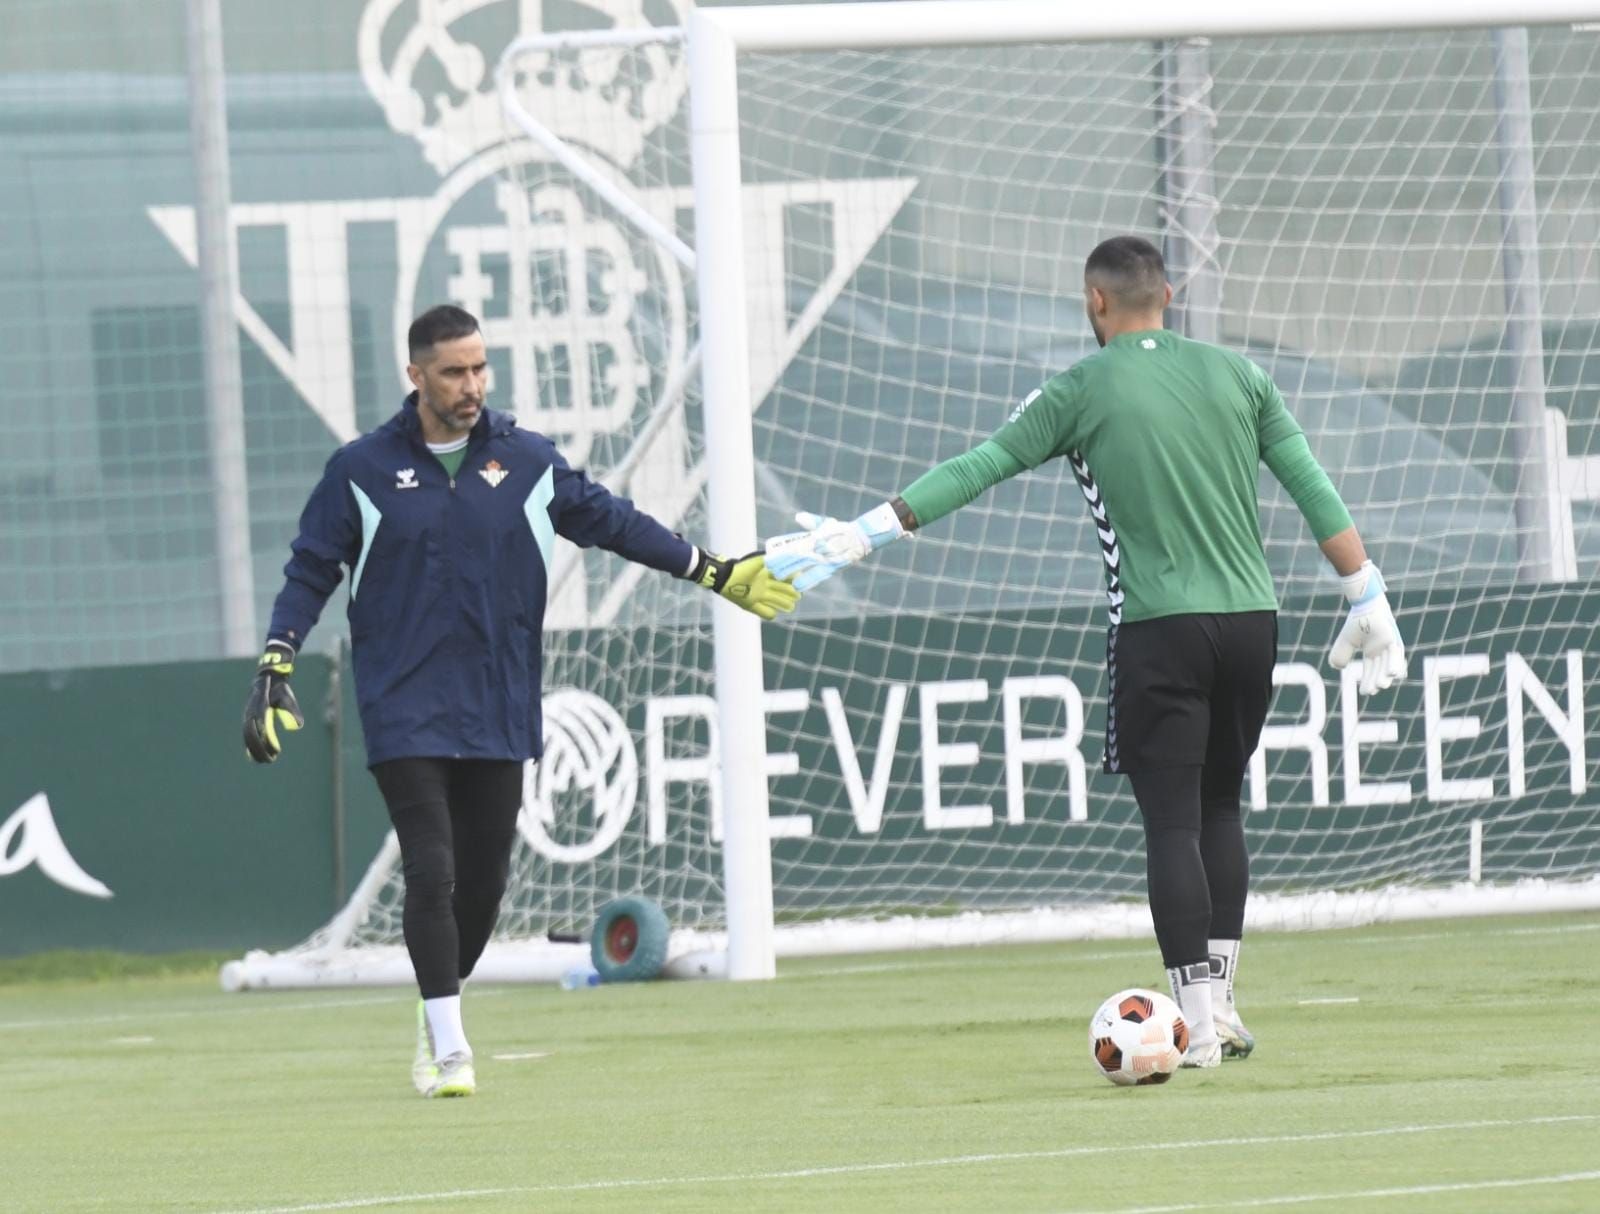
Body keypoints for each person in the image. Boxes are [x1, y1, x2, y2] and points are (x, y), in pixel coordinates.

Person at [765, 235, 1406, 1068]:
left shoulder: (1079, 388)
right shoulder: (1243, 376)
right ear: (1168, 296)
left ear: (1095, 302)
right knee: (1221, 809)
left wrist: (865, 534)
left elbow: (981, 465)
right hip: (1253, 623)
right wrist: (1366, 592)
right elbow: (1309, 480)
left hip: (1157, 628)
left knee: (1172, 823)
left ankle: (1199, 1032)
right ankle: (1223, 1005)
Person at [242, 304, 799, 1098]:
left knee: (484, 887)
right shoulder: (359, 470)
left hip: (499, 703)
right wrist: (277, 659)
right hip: (402, 706)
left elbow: (614, 523)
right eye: (452, 372)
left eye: (478, 368)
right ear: (415, 377)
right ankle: (450, 1051)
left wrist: (711, 570)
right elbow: (310, 570)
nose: (470, 386)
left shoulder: (529, 462)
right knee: (428, 872)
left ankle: (436, 1012)